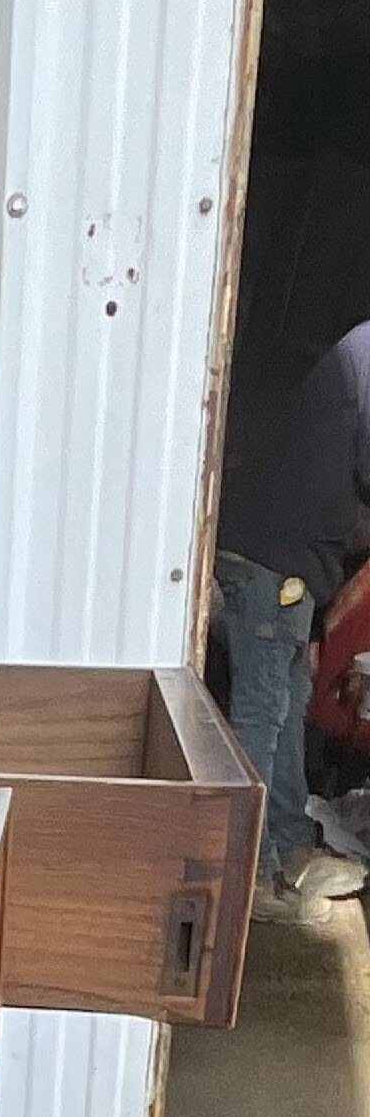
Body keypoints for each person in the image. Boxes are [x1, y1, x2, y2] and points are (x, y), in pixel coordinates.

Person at [214, 320, 370, 907]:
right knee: (262, 710)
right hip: (274, 561)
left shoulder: (354, 355)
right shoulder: (367, 354)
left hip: (286, 563)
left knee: (289, 700)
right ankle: (249, 869)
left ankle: (289, 841)